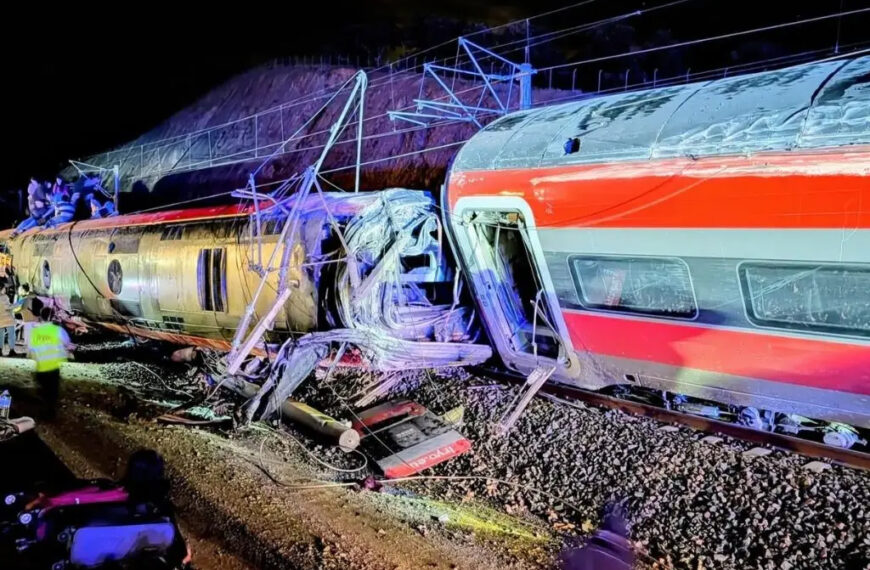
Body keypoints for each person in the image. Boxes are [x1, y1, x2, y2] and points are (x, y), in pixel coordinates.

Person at [26, 307, 74, 418]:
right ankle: (50, 411)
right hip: (53, 367)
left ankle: (45, 408)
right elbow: (67, 343)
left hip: (41, 367)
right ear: (52, 317)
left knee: (44, 390)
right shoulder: (57, 330)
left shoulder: (35, 331)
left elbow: (30, 348)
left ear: (41, 316)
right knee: (52, 392)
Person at [0, 274, 16, 356]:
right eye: (4, 288)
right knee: (11, 335)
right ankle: (11, 350)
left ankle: (0, 350)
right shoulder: (4, 297)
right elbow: (8, 307)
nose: (5, 289)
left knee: (0, 336)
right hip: (7, 318)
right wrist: (17, 304)